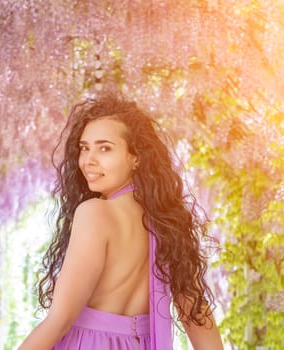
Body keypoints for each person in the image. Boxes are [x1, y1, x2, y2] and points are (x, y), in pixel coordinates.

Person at [18, 93, 223, 350]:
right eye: (85, 147)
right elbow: (196, 315)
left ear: (136, 157)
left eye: (105, 148)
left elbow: (60, 320)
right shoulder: (168, 223)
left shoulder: (94, 213)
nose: (88, 161)